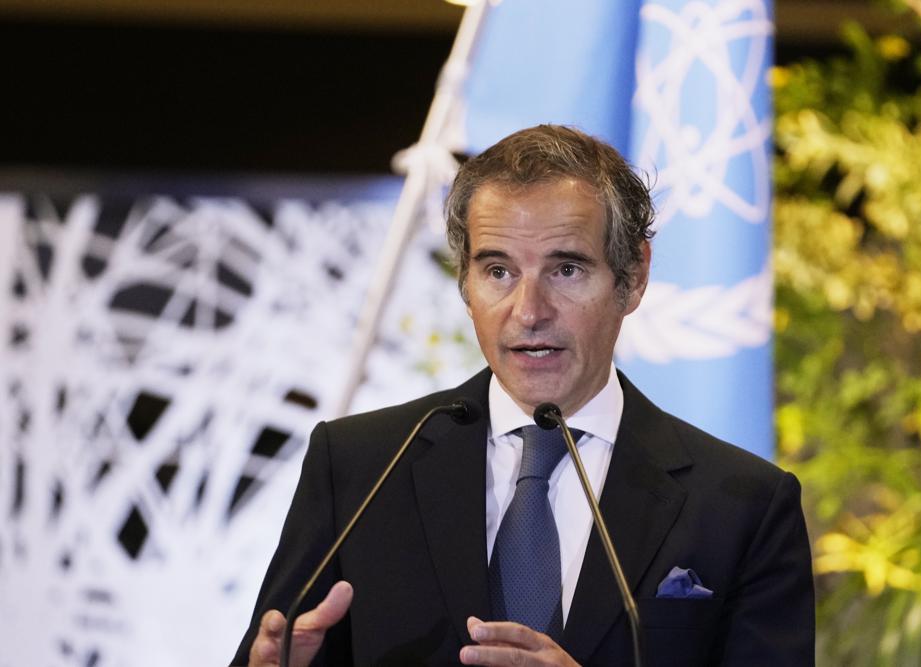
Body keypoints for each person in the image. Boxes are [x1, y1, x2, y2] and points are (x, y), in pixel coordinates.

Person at [232, 125, 814, 666]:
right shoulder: (360, 467)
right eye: (498, 271)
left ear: (634, 276)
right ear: (465, 282)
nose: (529, 312)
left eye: (566, 270)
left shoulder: (742, 506)